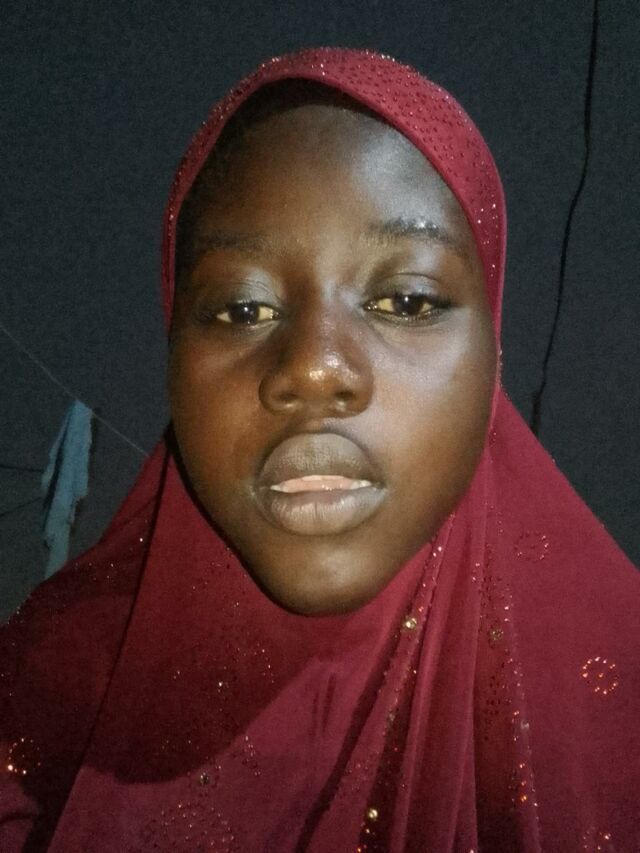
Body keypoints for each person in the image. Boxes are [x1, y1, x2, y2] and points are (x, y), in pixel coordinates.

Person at [1, 47, 638, 852]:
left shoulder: (615, 701)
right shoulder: (43, 699)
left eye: (406, 299)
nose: (313, 367)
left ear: (494, 352)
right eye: (242, 309)